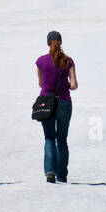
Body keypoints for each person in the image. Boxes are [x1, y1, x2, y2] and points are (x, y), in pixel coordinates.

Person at [35, 31, 78, 183]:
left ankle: (50, 172)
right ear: (60, 42)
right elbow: (74, 85)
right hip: (64, 102)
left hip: (46, 102)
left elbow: (41, 84)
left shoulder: (41, 61)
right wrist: (64, 85)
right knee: (62, 139)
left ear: (48, 43)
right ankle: (62, 174)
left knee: (49, 138)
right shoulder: (68, 61)